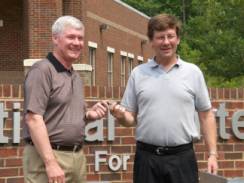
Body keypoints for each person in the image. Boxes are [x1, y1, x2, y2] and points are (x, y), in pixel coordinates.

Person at [110, 13, 218, 183]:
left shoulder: (193, 73)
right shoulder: (138, 74)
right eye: (160, 37)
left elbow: (206, 115)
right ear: (151, 41)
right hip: (147, 159)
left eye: (170, 36)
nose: (166, 42)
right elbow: (130, 119)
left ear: (178, 39)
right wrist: (122, 116)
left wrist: (212, 154)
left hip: (182, 158)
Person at [22, 16, 108, 183]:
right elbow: (33, 119)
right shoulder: (42, 71)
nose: (77, 43)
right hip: (48, 159)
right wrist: (51, 163)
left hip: (76, 157)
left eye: (80, 38)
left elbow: (62, 113)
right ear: (55, 38)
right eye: (71, 37)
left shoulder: (74, 75)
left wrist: (89, 114)